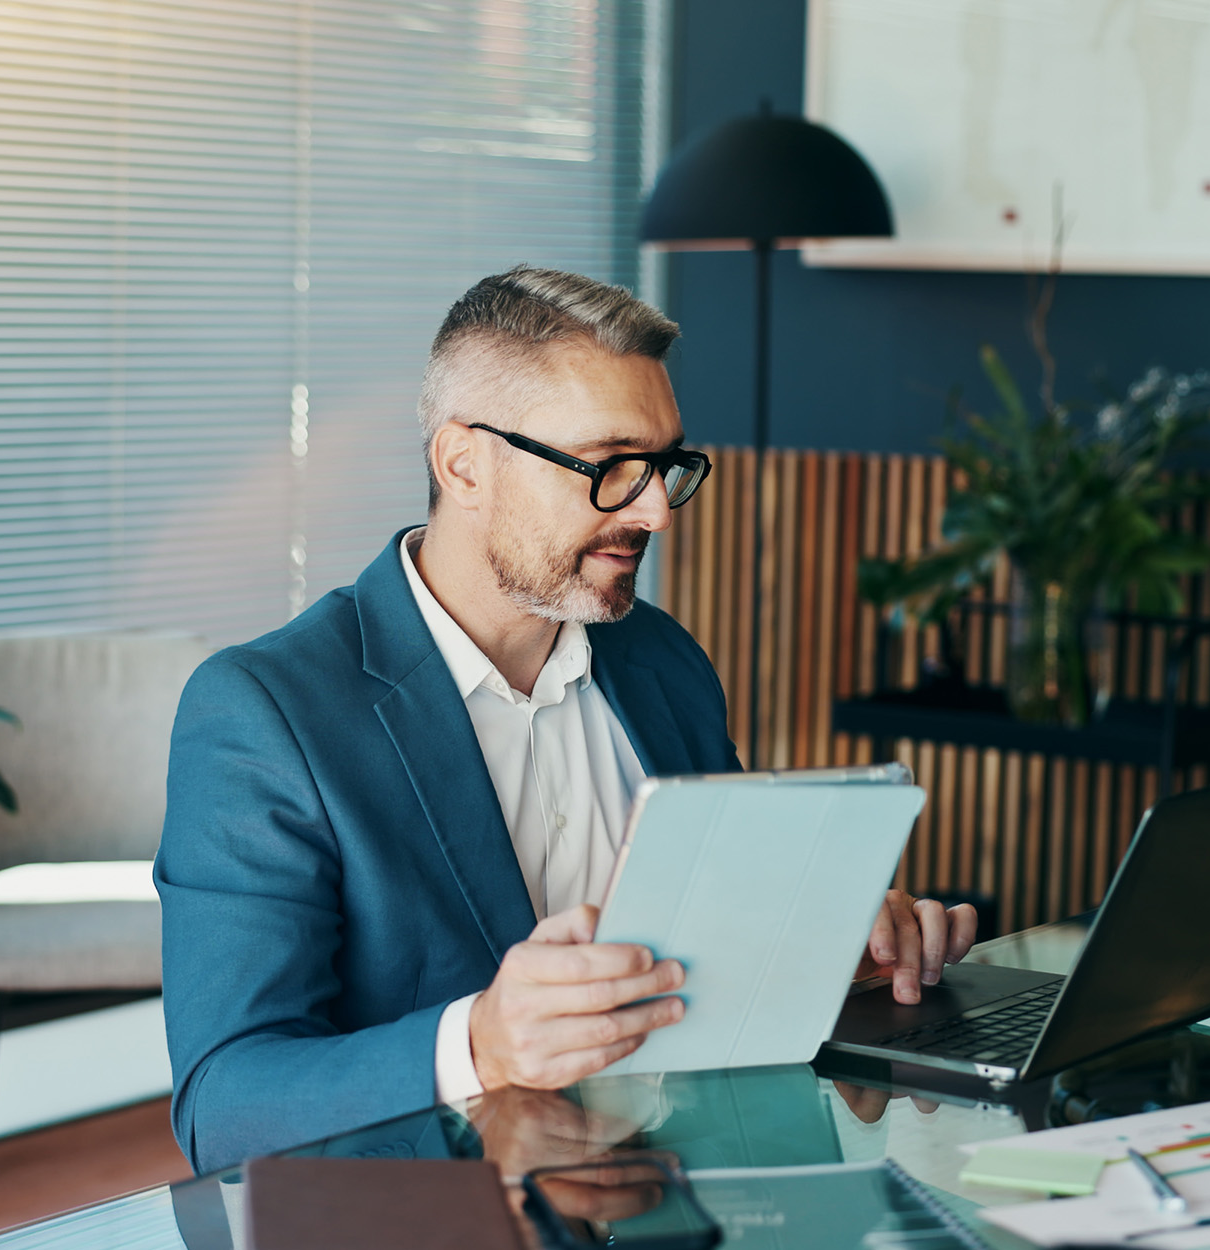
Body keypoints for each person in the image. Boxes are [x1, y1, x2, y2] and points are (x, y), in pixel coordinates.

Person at [155, 267, 978, 1172]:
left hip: (679, 1196)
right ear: (464, 462)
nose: (657, 510)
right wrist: (482, 1044)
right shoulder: (266, 713)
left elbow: (723, 950)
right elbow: (223, 1105)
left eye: (666, 466)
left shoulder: (661, 660)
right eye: (612, 466)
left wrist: (829, 949)